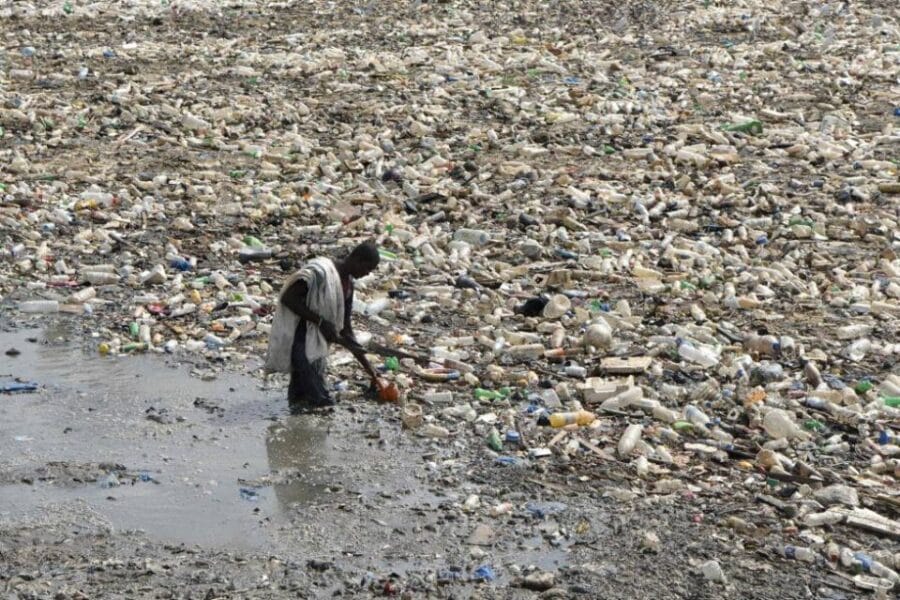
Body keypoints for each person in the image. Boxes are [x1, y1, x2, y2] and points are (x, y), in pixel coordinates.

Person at [265, 241, 381, 409]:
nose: (366, 274)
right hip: (302, 342)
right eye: (367, 268)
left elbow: (345, 327)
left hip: (317, 346)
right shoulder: (320, 273)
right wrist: (320, 322)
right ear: (357, 259)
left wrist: (369, 368)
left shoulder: (348, 284)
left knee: (300, 399)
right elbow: (288, 298)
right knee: (321, 403)